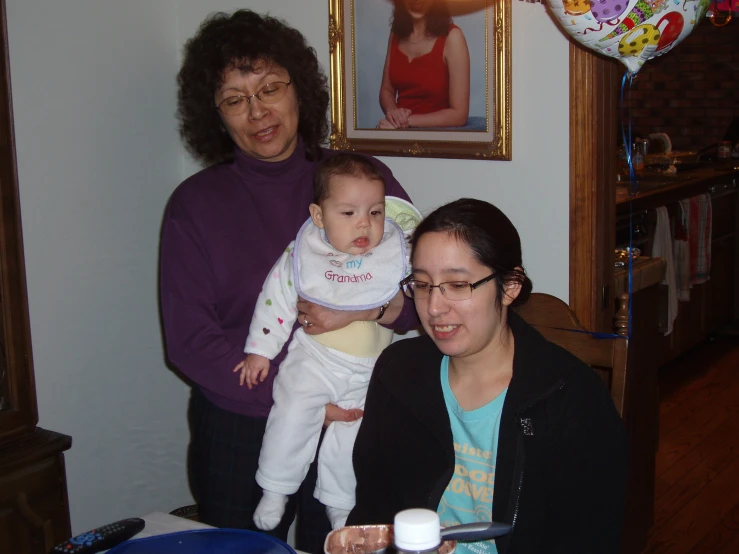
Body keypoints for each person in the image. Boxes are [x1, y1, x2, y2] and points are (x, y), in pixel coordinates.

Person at [160, 10, 416, 553]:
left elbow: (419, 295)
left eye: (270, 88)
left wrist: (361, 315)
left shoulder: (364, 182)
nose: (258, 111)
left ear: (300, 89)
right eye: (234, 98)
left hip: (353, 406)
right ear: (216, 115)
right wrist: (293, 395)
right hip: (240, 418)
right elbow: (189, 341)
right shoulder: (194, 205)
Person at [347, 199, 628, 553]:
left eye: (458, 285)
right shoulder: (398, 374)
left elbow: (588, 539)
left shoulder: (569, 400)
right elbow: (373, 510)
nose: (433, 308)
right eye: (421, 284)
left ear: (509, 287)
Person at [234, 153, 420, 532]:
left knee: (353, 441)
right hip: (315, 359)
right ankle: (275, 487)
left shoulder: (391, 252)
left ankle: (341, 511)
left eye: (376, 212)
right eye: (348, 213)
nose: (364, 224)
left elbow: (418, 296)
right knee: (292, 412)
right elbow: (276, 298)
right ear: (318, 216)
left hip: (370, 371)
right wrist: (259, 351)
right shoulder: (305, 253)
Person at [377, 0, 470, 129]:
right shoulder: (396, 34)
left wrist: (405, 122)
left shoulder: (453, 37)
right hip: (397, 130)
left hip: (435, 138)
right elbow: (386, 90)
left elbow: (459, 115)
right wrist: (394, 113)